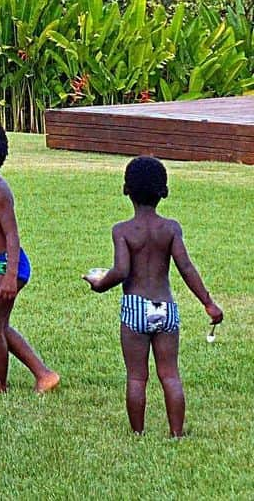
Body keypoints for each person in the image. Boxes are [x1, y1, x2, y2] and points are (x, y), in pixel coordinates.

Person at [83, 155, 223, 437]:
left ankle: (138, 433)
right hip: (166, 307)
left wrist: (99, 284)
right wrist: (207, 302)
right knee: (170, 374)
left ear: (126, 190)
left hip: (135, 308)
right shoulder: (171, 229)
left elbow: (121, 270)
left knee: (137, 377)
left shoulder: (122, 231)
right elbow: (186, 267)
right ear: (164, 191)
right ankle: (176, 432)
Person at [0, 122, 60, 394]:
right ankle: (44, 374)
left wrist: (8, 277)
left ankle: (0, 386)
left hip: (8, 265)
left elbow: (12, 236)